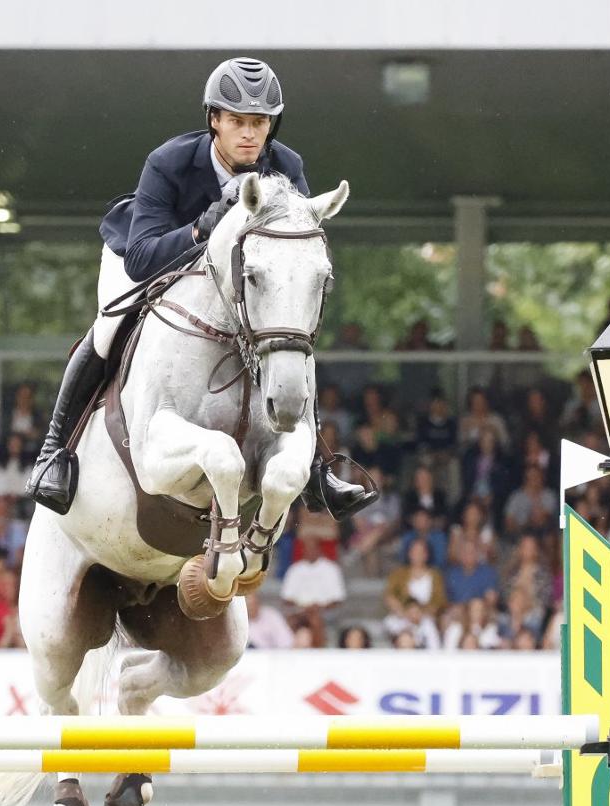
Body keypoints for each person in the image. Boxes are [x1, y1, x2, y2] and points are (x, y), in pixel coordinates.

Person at [24, 57, 373, 522]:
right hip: (149, 256)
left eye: (260, 123)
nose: (250, 134)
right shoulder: (168, 162)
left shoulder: (286, 165)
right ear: (214, 120)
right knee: (108, 327)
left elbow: (293, 245)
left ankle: (313, 468)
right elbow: (143, 256)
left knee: (287, 335)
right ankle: (55, 454)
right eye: (237, 122)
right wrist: (199, 230)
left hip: (230, 278)